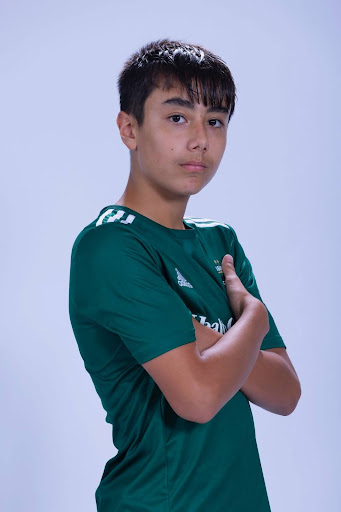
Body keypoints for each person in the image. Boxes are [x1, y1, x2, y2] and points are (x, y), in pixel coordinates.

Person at [68, 38, 301, 512]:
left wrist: (200, 340)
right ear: (129, 128)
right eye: (177, 117)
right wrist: (252, 320)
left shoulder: (220, 242)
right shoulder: (110, 245)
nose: (200, 138)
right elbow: (197, 398)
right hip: (161, 503)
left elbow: (285, 392)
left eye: (214, 121)